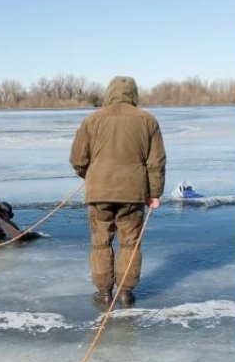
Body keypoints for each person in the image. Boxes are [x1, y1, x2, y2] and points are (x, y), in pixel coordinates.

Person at [70, 75, 166, 308]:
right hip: (133, 194)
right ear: (134, 95)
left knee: (101, 242)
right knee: (130, 243)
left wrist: (92, 177)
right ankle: (125, 293)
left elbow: (77, 159)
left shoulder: (92, 119)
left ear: (109, 93)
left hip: (99, 193)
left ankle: (104, 293)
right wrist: (155, 193)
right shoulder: (147, 120)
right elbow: (156, 162)